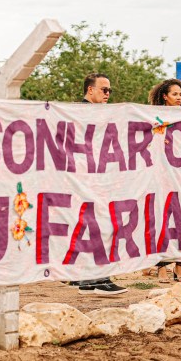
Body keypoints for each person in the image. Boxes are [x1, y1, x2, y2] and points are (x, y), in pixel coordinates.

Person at [72, 73, 128, 296]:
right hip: (88, 179)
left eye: (109, 91)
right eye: (104, 90)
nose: (108, 94)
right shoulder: (80, 113)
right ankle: (99, 278)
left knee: (91, 226)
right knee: (100, 225)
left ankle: (86, 280)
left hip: (92, 178)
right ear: (90, 90)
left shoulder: (97, 114)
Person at [148, 79, 181, 283]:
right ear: (165, 96)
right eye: (174, 94)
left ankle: (180, 265)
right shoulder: (154, 117)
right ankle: (161, 266)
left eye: (180, 94)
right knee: (160, 219)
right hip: (160, 175)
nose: (178, 97)